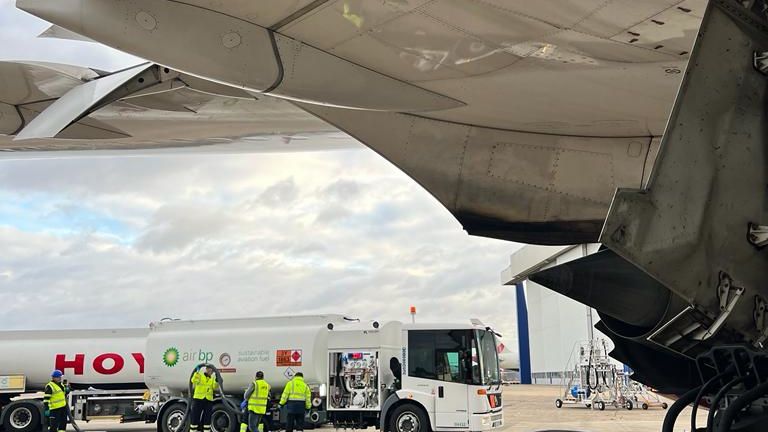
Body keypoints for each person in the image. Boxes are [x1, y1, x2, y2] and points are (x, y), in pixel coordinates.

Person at [190, 365, 219, 432]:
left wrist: (217, 379)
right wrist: (196, 372)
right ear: (207, 369)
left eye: (212, 371)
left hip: (208, 401)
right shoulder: (200, 375)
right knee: (195, 418)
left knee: (207, 419)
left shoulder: (212, 378)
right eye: (210, 370)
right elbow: (193, 381)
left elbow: (215, 387)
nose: (211, 372)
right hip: (198, 400)